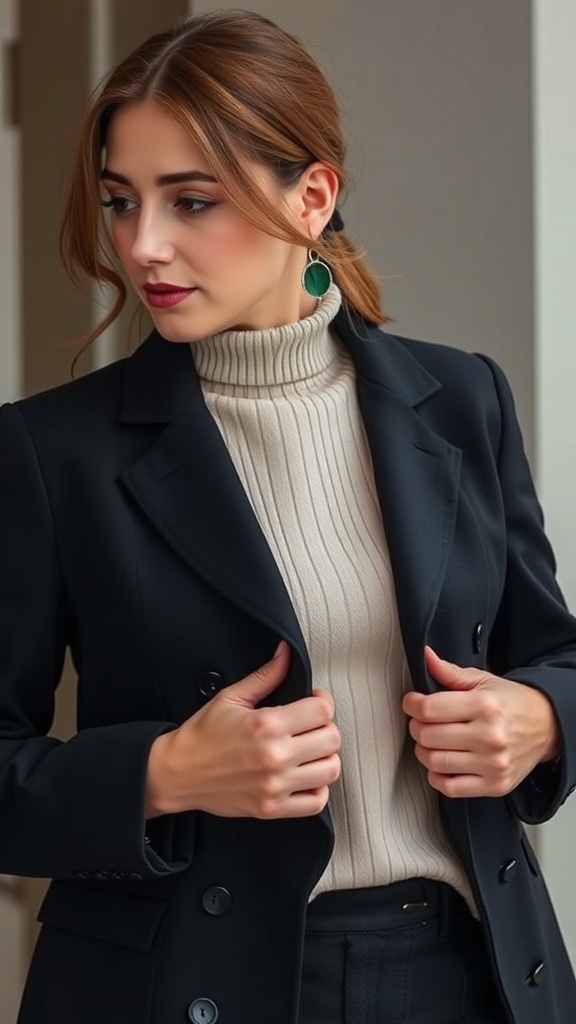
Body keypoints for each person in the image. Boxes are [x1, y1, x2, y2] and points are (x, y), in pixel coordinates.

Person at [0, 9, 575, 1024]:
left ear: (312, 197)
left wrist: (540, 722)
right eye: (121, 201)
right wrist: (161, 771)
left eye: (191, 200)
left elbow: (557, 657)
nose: (143, 244)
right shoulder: (54, 452)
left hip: (464, 975)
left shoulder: (463, 399)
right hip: (181, 986)